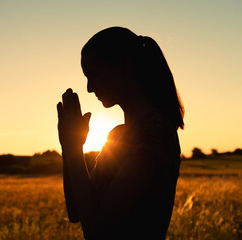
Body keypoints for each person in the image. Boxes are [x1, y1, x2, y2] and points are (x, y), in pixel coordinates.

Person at [57, 27, 184, 240]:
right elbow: (76, 212)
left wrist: (73, 147)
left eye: (94, 75)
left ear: (124, 65)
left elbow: (96, 231)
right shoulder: (118, 136)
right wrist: (69, 148)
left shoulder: (154, 135)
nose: (89, 88)